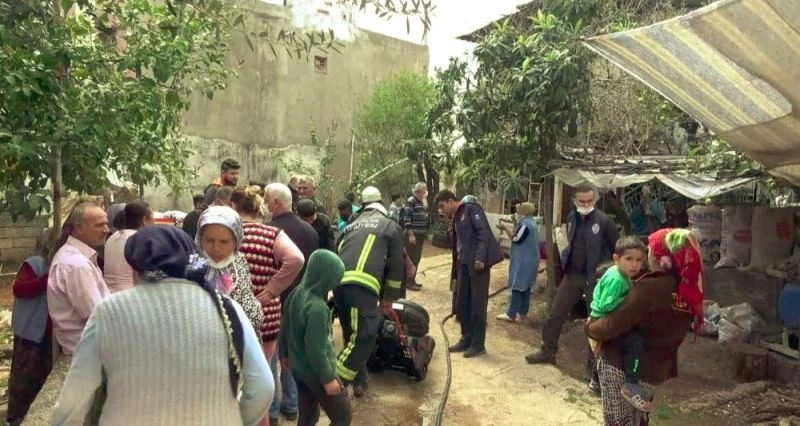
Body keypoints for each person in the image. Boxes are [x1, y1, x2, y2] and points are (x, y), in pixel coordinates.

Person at [51, 226, 273, 425]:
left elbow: (75, 397)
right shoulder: (227, 308)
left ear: (136, 268)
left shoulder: (110, 310)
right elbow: (262, 388)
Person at [587, 228, 702, 425]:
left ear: (661, 256)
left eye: (650, 250)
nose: (648, 255)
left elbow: (612, 324)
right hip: (654, 370)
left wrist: (590, 328)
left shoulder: (649, 288)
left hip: (620, 366)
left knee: (619, 422)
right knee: (638, 419)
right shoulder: (688, 292)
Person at [526, 186, 618, 392]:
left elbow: (617, 248)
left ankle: (591, 367)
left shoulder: (603, 221)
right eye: (582, 202)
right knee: (556, 312)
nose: (586, 205)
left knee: (594, 322)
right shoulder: (571, 218)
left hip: (595, 278)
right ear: (575, 202)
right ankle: (548, 351)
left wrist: (606, 271)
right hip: (573, 275)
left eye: (589, 201)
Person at [334, 186, 405, 397]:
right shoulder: (390, 226)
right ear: (381, 204)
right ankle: (336, 382)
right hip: (362, 287)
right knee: (366, 335)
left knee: (351, 333)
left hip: (339, 285)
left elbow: (336, 250)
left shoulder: (349, 226)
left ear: (362, 206)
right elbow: (395, 267)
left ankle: (360, 380)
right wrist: (388, 299)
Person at [264, 182, 319, 423]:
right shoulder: (309, 231)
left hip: (274, 303)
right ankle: (292, 405)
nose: (265, 204)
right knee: (292, 355)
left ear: (276, 203)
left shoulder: (269, 231)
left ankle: (272, 411)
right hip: (299, 303)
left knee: (271, 359)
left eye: (267, 200)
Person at [231, 186, 304, 362]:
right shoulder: (272, 235)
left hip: (232, 313)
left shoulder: (227, 234)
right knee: (262, 369)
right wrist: (273, 289)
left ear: (233, 206)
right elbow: (296, 259)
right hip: (265, 315)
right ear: (258, 208)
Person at [279, 251, 351, 426]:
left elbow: (284, 325)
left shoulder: (297, 293)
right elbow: (316, 350)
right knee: (342, 415)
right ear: (326, 279)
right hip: (316, 372)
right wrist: (328, 378)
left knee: (309, 414)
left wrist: (284, 354)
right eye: (335, 278)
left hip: (298, 369)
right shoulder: (318, 308)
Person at [434, 190, 503, 358]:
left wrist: (480, 258)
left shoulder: (471, 209)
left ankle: (478, 344)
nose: (441, 211)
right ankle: (466, 338)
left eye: (443, 206)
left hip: (478, 265)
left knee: (477, 305)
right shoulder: (457, 216)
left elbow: (483, 233)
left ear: (451, 201)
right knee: (461, 303)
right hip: (463, 263)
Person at [588, 237, 648, 410]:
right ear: (616, 258)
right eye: (628, 259)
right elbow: (606, 305)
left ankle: (595, 382)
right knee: (636, 341)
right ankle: (631, 384)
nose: (634, 265)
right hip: (603, 319)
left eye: (638, 260)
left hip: (600, 318)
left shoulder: (618, 272)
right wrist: (629, 298)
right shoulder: (618, 280)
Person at [48, 202, 111, 356]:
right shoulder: (76, 265)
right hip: (88, 352)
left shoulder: (78, 258)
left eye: (106, 224)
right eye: (99, 225)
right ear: (79, 228)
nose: (106, 230)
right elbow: (97, 315)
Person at [7, 229, 54, 425]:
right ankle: (16, 417)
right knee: (24, 375)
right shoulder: (35, 263)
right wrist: (47, 278)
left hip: (46, 330)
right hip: (30, 329)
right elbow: (20, 288)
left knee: (42, 374)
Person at [196, 206, 265, 338]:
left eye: (224, 242)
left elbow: (252, 315)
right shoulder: (193, 266)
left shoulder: (239, 263)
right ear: (200, 239)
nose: (216, 248)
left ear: (236, 240)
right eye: (209, 240)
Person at [496, 202, 540, 323]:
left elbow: (516, 238)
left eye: (518, 211)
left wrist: (504, 228)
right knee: (525, 287)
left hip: (524, 261)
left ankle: (511, 314)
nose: (517, 213)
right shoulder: (531, 223)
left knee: (517, 285)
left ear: (523, 212)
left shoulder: (526, 225)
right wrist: (515, 222)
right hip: (530, 259)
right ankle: (523, 313)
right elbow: (519, 233)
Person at [103, 201, 152, 293]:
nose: (154, 222)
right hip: (130, 295)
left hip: (108, 293)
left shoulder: (112, 237)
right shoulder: (141, 239)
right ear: (145, 220)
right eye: (152, 218)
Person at [399, 182, 429, 292]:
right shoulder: (411, 201)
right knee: (412, 258)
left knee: (417, 258)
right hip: (413, 235)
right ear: (419, 191)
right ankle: (408, 282)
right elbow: (407, 219)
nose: (426, 191)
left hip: (420, 235)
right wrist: (411, 235)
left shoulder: (420, 202)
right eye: (424, 189)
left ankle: (412, 280)